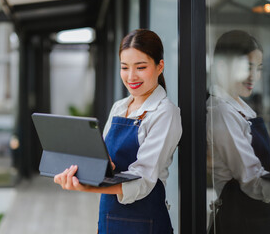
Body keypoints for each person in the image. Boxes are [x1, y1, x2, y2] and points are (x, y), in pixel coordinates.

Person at [54, 29, 182, 234]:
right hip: (108, 219)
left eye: (140, 67)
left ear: (160, 67)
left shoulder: (165, 113)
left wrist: (89, 187)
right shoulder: (119, 107)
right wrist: (97, 168)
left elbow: (143, 180)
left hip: (145, 223)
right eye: (124, 67)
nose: (131, 76)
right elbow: (105, 161)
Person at [207, 30, 270, 234]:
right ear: (222, 65)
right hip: (241, 222)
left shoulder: (240, 106)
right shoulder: (221, 111)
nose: (254, 76)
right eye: (247, 67)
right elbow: (250, 180)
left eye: (258, 68)